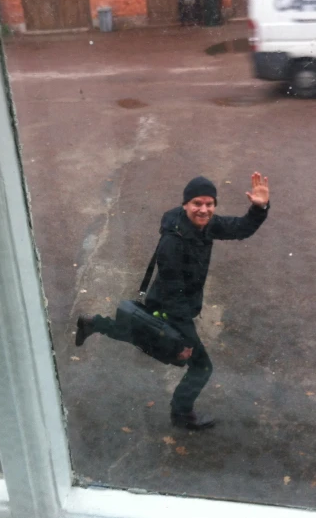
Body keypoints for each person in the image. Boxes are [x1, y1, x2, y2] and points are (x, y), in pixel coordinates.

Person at [75, 172, 270, 430]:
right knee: (200, 366)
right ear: (185, 205)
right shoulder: (173, 242)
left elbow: (240, 228)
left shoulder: (206, 224)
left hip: (172, 303)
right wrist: (185, 340)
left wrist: (259, 208)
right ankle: (182, 415)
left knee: (143, 335)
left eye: (209, 204)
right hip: (171, 305)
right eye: (197, 204)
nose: (203, 209)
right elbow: (173, 291)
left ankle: (94, 324)